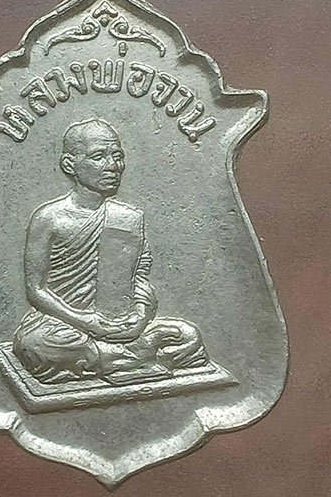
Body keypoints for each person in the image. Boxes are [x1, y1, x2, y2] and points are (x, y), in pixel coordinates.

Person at [13, 119, 208, 385]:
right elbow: (36, 290)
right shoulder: (49, 218)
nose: (113, 166)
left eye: (117, 156)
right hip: (64, 322)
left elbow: (139, 278)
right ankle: (134, 356)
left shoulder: (127, 217)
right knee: (36, 345)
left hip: (122, 321)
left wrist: (140, 317)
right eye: (98, 157)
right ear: (69, 165)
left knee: (188, 334)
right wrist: (86, 321)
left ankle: (117, 356)